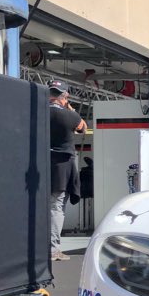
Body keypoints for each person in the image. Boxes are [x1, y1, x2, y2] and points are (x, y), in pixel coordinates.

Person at [49, 80, 86, 261]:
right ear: (64, 97)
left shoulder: (38, 113)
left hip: (39, 166)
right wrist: (69, 107)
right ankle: (53, 249)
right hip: (61, 168)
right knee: (56, 208)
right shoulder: (70, 117)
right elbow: (83, 128)